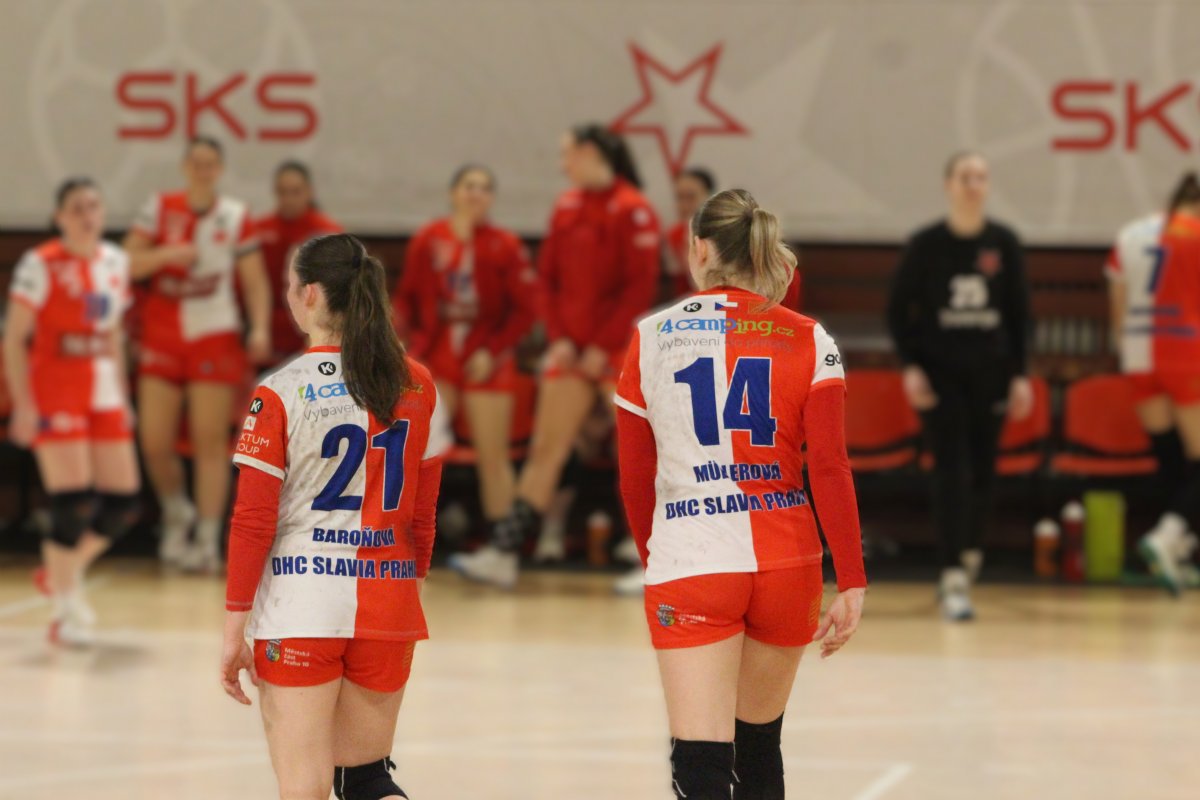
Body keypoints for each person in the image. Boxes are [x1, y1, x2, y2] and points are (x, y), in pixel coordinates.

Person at [616, 188, 866, 799]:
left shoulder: (651, 337)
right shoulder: (810, 337)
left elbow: (634, 476)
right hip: (788, 563)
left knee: (700, 765)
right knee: (757, 751)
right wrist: (852, 579)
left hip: (694, 558)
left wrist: (656, 559)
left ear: (700, 249)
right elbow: (829, 466)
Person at [219, 233, 449, 800]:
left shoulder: (280, 392)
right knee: (366, 781)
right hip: (388, 601)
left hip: (302, 604)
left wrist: (233, 630)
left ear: (311, 294)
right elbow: (422, 516)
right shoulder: (417, 383)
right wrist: (407, 593)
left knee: (305, 786)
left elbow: (252, 521)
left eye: (291, 286)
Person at [449, 124, 660, 588]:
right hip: (570, 354)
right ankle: (504, 554)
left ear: (590, 152)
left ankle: (657, 563)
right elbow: (547, 281)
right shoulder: (566, 206)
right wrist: (561, 339)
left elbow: (638, 289)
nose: (563, 165)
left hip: (615, 351)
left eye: (567, 155)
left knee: (637, 453)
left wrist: (600, 347)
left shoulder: (634, 209)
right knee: (545, 451)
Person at [886, 151, 1032, 621]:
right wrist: (911, 366)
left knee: (984, 470)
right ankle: (951, 571)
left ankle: (969, 552)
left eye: (981, 177)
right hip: (940, 376)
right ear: (949, 184)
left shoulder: (1003, 243)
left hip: (991, 375)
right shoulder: (926, 244)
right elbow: (897, 311)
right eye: (965, 176)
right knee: (950, 469)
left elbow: (1020, 315)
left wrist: (1020, 374)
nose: (973, 184)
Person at [124, 136, 272, 572]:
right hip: (163, 333)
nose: (203, 170)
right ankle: (176, 510)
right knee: (154, 440)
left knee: (210, 440)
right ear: (185, 166)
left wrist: (260, 326)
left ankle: (207, 537)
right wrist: (168, 254)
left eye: (211, 163)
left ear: (219, 169)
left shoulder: (235, 215)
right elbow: (126, 263)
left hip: (214, 333)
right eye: (197, 162)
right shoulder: (160, 207)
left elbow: (255, 281)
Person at [2, 178, 141, 645]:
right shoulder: (40, 264)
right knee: (74, 502)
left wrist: (123, 395)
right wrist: (23, 405)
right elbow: (14, 340)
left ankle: (62, 570)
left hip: (104, 390)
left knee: (123, 504)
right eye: (77, 208)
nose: (87, 215)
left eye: (93, 206)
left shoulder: (116, 261)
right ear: (59, 217)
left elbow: (113, 333)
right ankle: (64, 612)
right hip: (56, 390)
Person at [393, 164, 535, 533]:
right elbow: (406, 298)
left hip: (486, 358)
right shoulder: (429, 239)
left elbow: (525, 310)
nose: (476, 194)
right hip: (435, 357)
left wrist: (493, 349)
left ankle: (501, 546)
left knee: (493, 457)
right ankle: (397, 534)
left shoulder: (505, 244)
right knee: (411, 452)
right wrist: (403, 341)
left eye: (484, 188)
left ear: (492, 199)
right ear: (453, 193)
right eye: (469, 186)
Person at [1114, 174, 1200, 594]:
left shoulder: (1132, 233)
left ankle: (1176, 554)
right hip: (1184, 345)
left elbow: (1117, 304)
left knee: (1171, 459)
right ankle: (1168, 536)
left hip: (1137, 350)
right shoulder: (1194, 233)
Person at [257, 160, 344, 365]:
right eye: (283, 192)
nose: (288, 199)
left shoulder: (328, 232)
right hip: (270, 328)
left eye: (295, 192)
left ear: (309, 192)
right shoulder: (260, 230)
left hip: (312, 329)